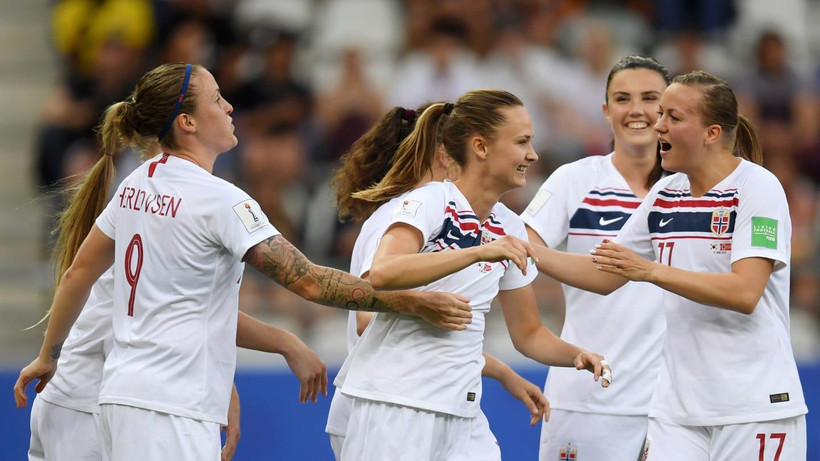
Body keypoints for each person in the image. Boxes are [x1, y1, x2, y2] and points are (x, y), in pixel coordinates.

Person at [13, 63, 471, 460]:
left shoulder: (137, 184)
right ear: (187, 122)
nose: (230, 106)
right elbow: (310, 282)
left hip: (121, 396)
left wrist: (48, 356)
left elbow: (83, 274)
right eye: (217, 99)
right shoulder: (221, 201)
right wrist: (408, 302)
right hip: (169, 409)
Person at [532, 70, 807, 460]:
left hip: (754, 406)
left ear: (711, 133)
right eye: (662, 114)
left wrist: (651, 271)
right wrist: (524, 250)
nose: (658, 125)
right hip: (676, 411)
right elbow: (605, 272)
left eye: (673, 117)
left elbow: (745, 292)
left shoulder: (758, 187)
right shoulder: (666, 192)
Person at [335, 91, 612, 460]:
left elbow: (529, 333)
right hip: (396, 406)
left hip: (462, 413)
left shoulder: (508, 226)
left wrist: (577, 354)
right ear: (481, 147)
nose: (533, 155)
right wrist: (479, 252)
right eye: (522, 142)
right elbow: (383, 271)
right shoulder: (429, 201)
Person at [521, 55, 670, 460]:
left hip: (675, 404)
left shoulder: (690, 189)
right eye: (622, 99)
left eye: (650, 98)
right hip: (587, 396)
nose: (636, 110)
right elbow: (517, 250)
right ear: (606, 110)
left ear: (669, 110)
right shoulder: (575, 179)